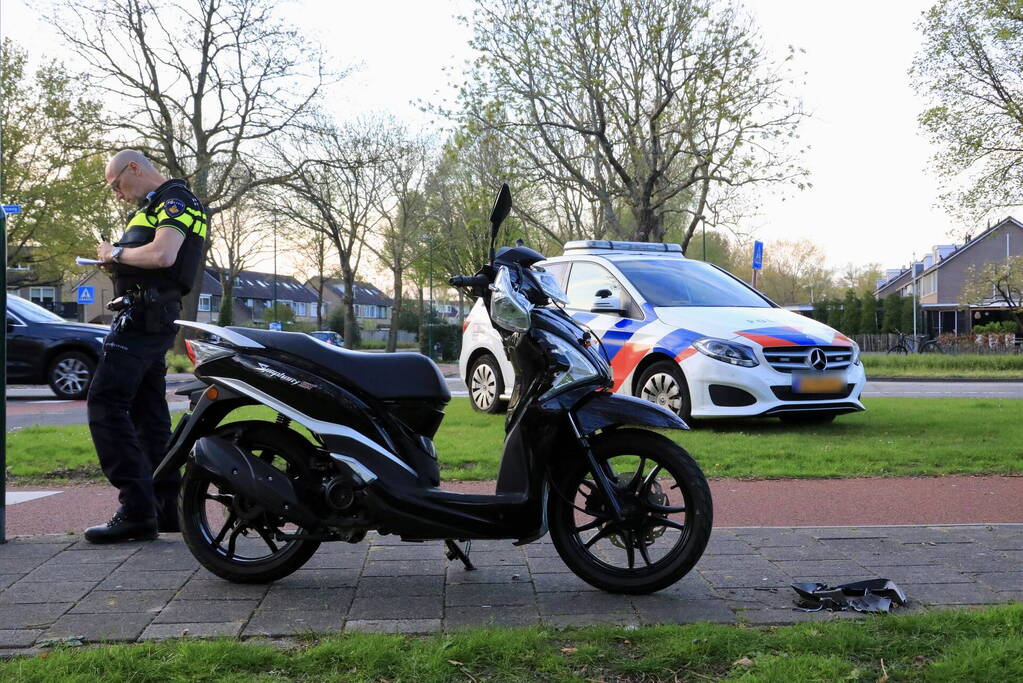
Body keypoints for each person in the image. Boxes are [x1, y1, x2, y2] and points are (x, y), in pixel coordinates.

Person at [84, 149, 208, 543]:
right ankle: (163, 510)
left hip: (143, 318)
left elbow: (162, 254)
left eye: (117, 184)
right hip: (148, 315)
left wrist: (114, 252)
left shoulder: (175, 200)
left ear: (134, 168)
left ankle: (136, 509)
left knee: (105, 404)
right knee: (149, 413)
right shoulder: (157, 204)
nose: (118, 195)